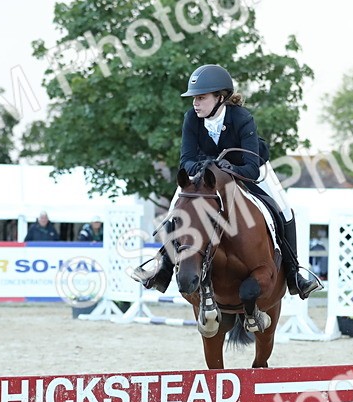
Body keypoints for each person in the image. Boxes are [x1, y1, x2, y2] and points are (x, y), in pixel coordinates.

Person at [128, 64, 322, 299]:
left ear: (220, 97)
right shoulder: (191, 118)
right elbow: (186, 161)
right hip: (208, 173)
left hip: (250, 169)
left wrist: (231, 169)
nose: (195, 104)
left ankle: (294, 274)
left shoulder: (242, 118)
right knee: (177, 208)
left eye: (201, 98)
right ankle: (162, 267)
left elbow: (251, 167)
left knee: (284, 210)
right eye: (194, 99)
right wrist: (203, 167)